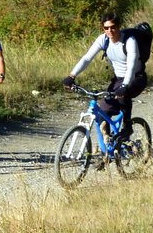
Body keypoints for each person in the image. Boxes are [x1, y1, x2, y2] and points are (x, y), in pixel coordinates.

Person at [63, 12, 148, 141]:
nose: (110, 31)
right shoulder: (103, 39)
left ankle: (127, 126)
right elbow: (87, 58)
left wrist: (125, 86)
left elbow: (131, 66)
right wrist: (72, 75)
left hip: (136, 78)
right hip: (118, 79)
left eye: (113, 27)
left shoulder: (129, 41)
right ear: (103, 28)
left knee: (123, 96)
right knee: (103, 109)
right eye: (106, 28)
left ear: (119, 26)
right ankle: (108, 144)